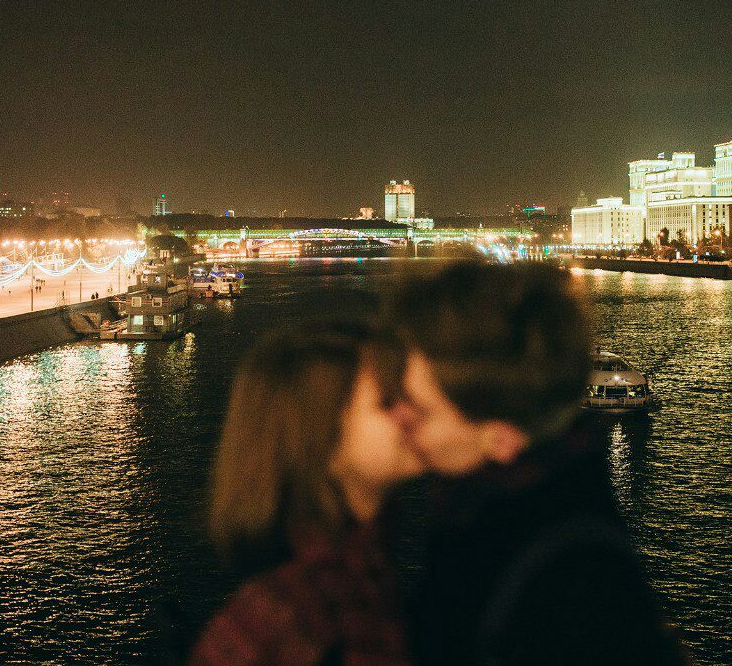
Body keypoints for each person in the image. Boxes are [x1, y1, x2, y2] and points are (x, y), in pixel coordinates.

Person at [388, 261, 688, 665]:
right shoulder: (530, 523)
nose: (398, 417)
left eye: (420, 409)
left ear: (502, 437)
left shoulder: (560, 594)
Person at [190, 319, 422, 666]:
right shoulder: (282, 620)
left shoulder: (363, 579)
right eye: (387, 401)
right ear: (322, 432)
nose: (412, 412)